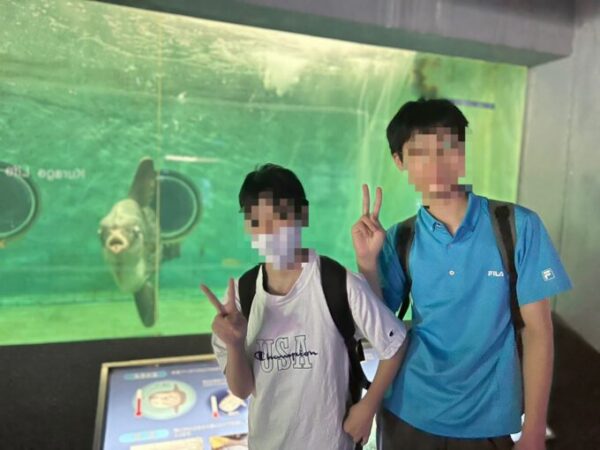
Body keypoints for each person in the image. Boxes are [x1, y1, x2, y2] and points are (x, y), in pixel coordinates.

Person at [351, 98, 572, 450]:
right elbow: (378, 328)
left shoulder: (516, 227)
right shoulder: (400, 238)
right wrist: (367, 262)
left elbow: (538, 331)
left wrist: (533, 429)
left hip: (487, 417)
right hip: (408, 410)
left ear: (463, 151)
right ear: (399, 161)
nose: (436, 163)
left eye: (447, 147)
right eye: (420, 152)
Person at [203, 163, 408, 450]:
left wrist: (368, 406)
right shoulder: (242, 297)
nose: (268, 232)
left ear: (303, 215)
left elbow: (395, 344)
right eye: (257, 222)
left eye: (280, 217)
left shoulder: (337, 283)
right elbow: (242, 389)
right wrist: (234, 345)